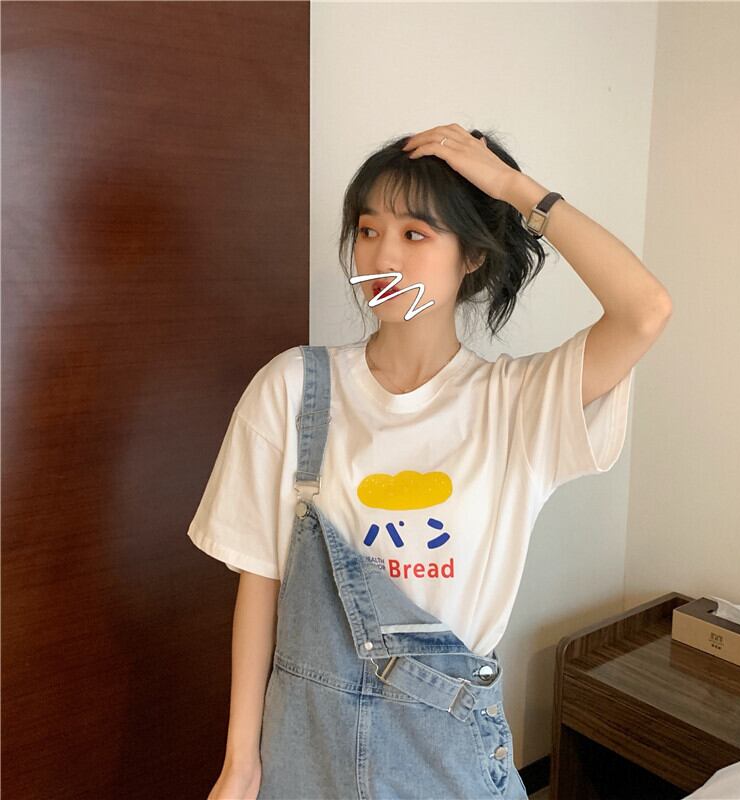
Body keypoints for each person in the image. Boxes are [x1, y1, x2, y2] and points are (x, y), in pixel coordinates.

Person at [189, 123, 642, 799]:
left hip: (446, 754)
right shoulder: (293, 388)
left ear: (472, 256)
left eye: (415, 233)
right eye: (368, 230)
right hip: (304, 743)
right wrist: (240, 763)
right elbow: (261, 581)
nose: (383, 254)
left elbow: (643, 311)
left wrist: (513, 188)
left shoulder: (517, 402)